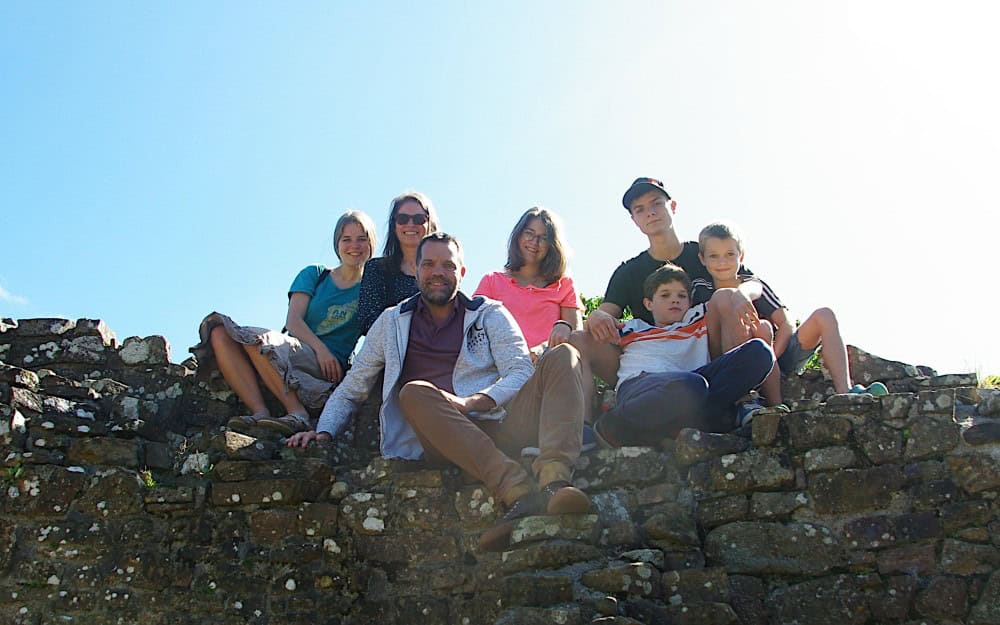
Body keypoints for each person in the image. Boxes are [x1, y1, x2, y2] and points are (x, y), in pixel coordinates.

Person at [288, 232, 590, 552]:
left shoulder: (488, 313)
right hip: (443, 436)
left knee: (563, 356)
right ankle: (516, 489)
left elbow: (520, 370)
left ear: (461, 273)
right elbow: (352, 389)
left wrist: (472, 401)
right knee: (414, 393)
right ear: (416, 271)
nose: (437, 272)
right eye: (429, 264)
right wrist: (323, 432)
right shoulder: (391, 322)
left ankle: (554, 483)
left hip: (501, 423)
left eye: (448, 265)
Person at [190, 210, 377, 436]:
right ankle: (259, 411)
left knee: (257, 339)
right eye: (346, 239)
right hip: (299, 349)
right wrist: (320, 349)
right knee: (219, 333)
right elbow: (294, 321)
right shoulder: (315, 274)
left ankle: (297, 413)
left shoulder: (372, 289)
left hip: (331, 366)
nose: (354, 246)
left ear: (371, 243)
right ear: (337, 244)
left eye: (362, 239)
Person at [579, 177, 760, 388]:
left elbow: (753, 283)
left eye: (656, 203)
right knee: (579, 338)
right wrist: (596, 316)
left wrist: (742, 293)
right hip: (653, 363)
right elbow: (604, 317)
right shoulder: (628, 272)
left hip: (709, 354)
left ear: (672, 206)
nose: (650, 212)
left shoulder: (706, 253)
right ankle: (586, 419)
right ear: (634, 220)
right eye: (640, 209)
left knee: (728, 300)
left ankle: (740, 394)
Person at [692, 221, 888, 408]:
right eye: (714, 256)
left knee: (824, 315)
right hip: (731, 357)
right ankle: (747, 397)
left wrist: (771, 355)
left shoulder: (751, 282)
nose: (722, 262)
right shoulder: (700, 290)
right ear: (702, 259)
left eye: (729, 254)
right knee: (760, 327)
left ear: (741, 256)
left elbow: (786, 323)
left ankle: (845, 391)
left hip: (775, 352)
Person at [592, 264, 775, 447]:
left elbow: (739, 290)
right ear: (648, 303)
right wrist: (595, 316)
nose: (675, 300)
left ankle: (672, 427)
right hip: (643, 386)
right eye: (665, 295)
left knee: (760, 352)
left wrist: (741, 295)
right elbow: (589, 335)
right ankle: (614, 425)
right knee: (690, 386)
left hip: (696, 385)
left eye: (681, 296)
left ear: (689, 302)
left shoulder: (697, 317)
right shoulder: (633, 327)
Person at [473, 207, 583, 357]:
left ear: (552, 245)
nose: (534, 242)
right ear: (518, 236)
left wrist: (541, 350)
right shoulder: (491, 281)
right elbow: (474, 333)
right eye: (529, 233)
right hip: (501, 369)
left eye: (543, 238)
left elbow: (576, 336)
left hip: (549, 367)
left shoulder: (564, 285)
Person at [356, 191, 440, 336]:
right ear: (393, 225)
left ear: (429, 224)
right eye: (402, 218)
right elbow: (367, 321)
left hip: (438, 352)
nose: (410, 224)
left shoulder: (443, 271)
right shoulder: (376, 268)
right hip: (388, 354)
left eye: (419, 219)